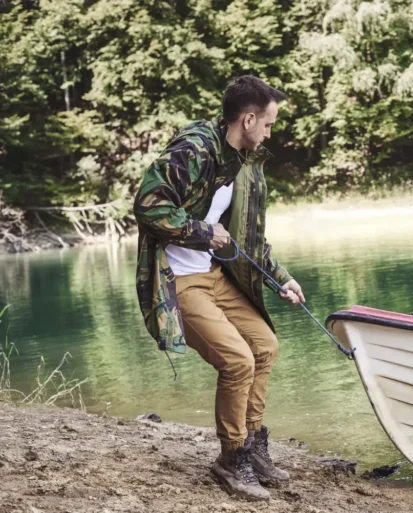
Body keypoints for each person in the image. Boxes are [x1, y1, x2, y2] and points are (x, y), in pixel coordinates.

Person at [133, 75, 305, 501]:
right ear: (248, 119)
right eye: (267, 124)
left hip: (215, 276)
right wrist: (201, 232)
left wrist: (280, 277)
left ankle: (252, 444)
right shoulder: (193, 149)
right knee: (238, 361)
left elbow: (245, 237)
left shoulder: (240, 162)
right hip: (178, 279)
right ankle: (231, 459)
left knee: (265, 345)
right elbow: (147, 206)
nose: (269, 132)